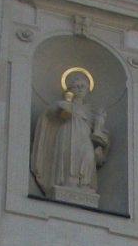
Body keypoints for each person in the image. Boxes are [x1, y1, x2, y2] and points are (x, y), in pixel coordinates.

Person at [31, 69, 109, 206]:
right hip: (67, 135)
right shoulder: (63, 105)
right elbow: (49, 116)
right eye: (76, 86)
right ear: (70, 89)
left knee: (87, 157)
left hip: (84, 138)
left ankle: (85, 185)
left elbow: (99, 134)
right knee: (68, 156)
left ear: (87, 89)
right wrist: (60, 108)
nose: (79, 89)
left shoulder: (90, 111)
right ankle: (68, 183)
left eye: (83, 86)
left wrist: (100, 122)